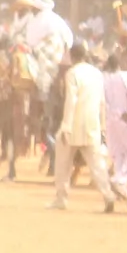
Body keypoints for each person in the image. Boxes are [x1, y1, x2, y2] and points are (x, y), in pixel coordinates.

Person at [49, 42, 113, 212]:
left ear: (72, 56)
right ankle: (108, 196)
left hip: (74, 124)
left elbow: (71, 99)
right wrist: (103, 126)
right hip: (92, 124)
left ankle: (61, 198)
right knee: (97, 164)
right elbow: (102, 102)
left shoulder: (72, 73)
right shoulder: (97, 73)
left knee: (63, 163)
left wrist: (66, 126)